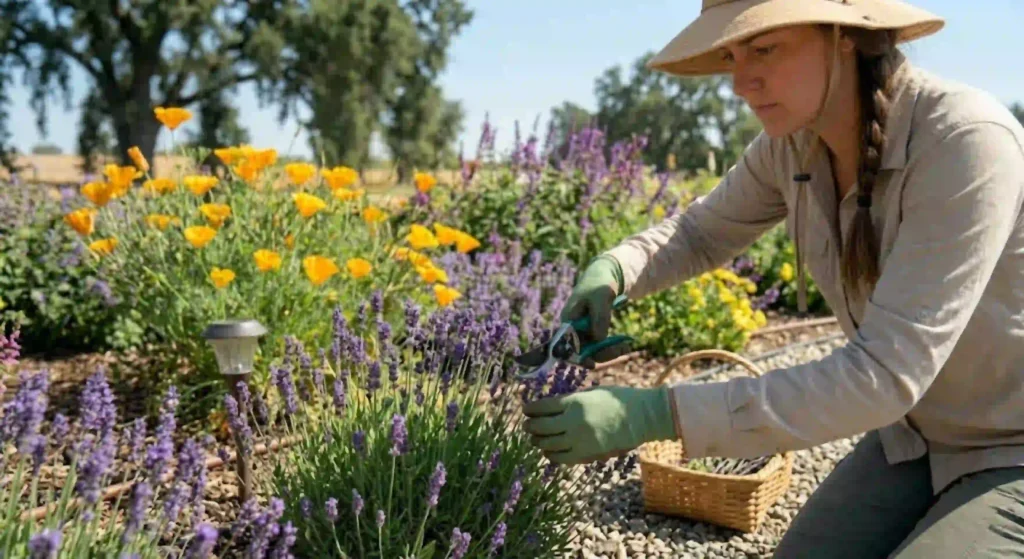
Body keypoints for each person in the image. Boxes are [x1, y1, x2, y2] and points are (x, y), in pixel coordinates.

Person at [520, 0, 1024, 556]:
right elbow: (699, 233)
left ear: (845, 36)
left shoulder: (963, 141)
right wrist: (616, 268)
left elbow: (882, 376)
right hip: (911, 440)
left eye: (764, 49)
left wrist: (656, 413)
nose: (740, 81)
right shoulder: (793, 146)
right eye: (733, 54)